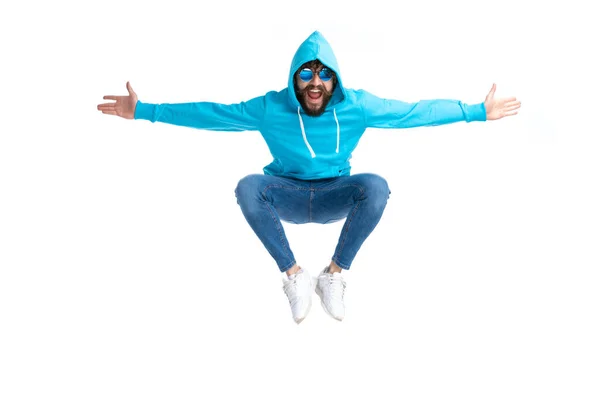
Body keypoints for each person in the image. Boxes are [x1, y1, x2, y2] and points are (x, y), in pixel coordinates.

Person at [97, 31, 521, 324]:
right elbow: (212, 114)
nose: (314, 82)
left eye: (323, 74)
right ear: (294, 77)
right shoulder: (270, 107)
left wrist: (477, 111)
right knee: (248, 186)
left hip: (338, 194)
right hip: (286, 195)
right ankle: (295, 276)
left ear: (334, 79)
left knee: (375, 185)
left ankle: (332, 276)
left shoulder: (358, 105)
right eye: (306, 74)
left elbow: (413, 113)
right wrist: (146, 110)